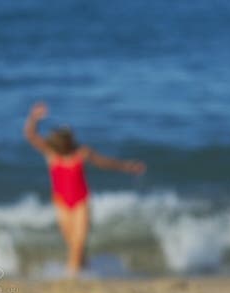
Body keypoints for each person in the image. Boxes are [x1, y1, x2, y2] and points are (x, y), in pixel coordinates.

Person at [24, 102, 146, 277]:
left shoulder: (81, 153)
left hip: (81, 201)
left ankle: (72, 277)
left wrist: (128, 166)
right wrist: (34, 117)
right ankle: (85, 271)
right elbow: (30, 135)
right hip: (61, 203)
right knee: (73, 243)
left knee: (78, 243)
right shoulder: (52, 153)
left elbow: (105, 163)